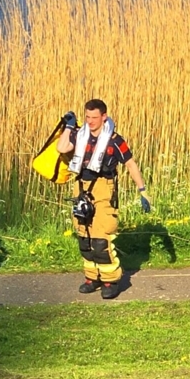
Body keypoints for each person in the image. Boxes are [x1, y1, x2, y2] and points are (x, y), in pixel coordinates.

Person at [56, 98, 151, 299]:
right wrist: (69, 126)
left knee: (101, 239)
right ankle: (92, 278)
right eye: (87, 117)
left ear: (104, 117)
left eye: (94, 117)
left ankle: (110, 280)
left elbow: (131, 165)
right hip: (81, 187)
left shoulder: (114, 141)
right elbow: (62, 148)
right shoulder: (79, 134)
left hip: (103, 189)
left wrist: (142, 191)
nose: (90, 121)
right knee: (84, 236)